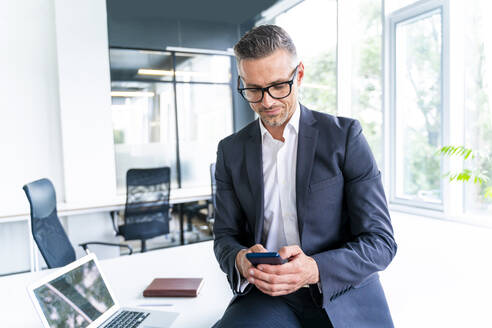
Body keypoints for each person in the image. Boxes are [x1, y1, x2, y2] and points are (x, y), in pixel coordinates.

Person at [213, 24, 397, 328]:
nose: (267, 101)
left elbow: (381, 241)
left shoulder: (345, 137)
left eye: (278, 86)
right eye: (254, 90)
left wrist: (314, 269)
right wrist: (240, 259)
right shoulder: (230, 152)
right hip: (268, 297)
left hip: (343, 292)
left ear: (299, 75)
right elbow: (224, 237)